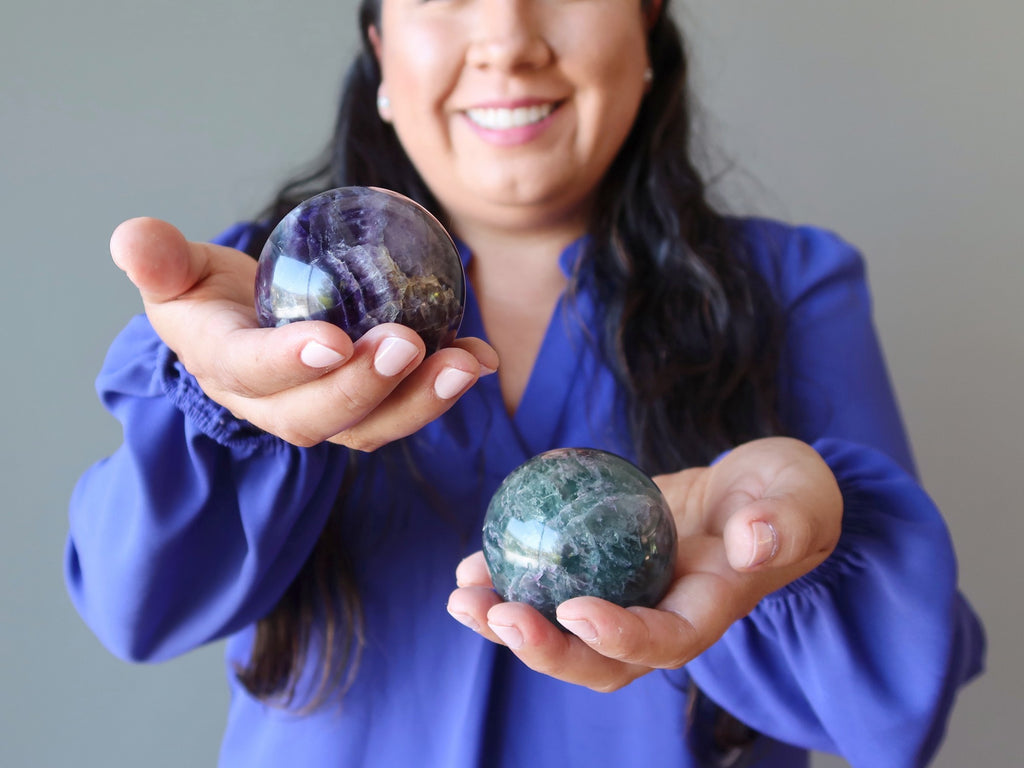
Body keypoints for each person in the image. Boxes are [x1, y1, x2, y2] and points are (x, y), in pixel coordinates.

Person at [65, 0, 985, 765]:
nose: (508, 37)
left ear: (648, 19)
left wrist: (808, 531)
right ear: (381, 47)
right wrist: (224, 405)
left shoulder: (794, 288)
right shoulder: (256, 306)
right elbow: (135, 605)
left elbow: (900, 703)